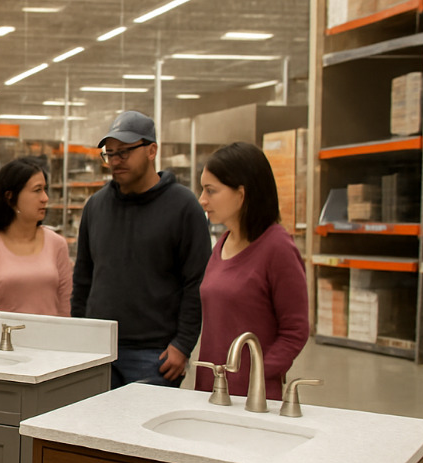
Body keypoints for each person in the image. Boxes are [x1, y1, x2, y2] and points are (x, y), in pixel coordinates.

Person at [71, 111, 211, 387]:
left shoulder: (183, 207)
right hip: (98, 349)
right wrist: (79, 333)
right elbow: (83, 277)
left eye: (124, 152)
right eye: (109, 154)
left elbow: (196, 282)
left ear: (151, 150)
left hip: (153, 355)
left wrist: (183, 344)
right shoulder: (96, 207)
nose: (115, 161)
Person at [195, 142, 309, 398]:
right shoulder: (222, 243)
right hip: (211, 390)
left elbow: (295, 331)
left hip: (251, 398)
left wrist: (257, 377)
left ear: (241, 193)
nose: (202, 199)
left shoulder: (277, 247)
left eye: (211, 191)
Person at [0, 158, 72, 316]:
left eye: (45, 189)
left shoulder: (57, 244)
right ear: (10, 197)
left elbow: (65, 308)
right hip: (1, 340)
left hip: (48, 339)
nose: (45, 198)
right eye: (37, 190)